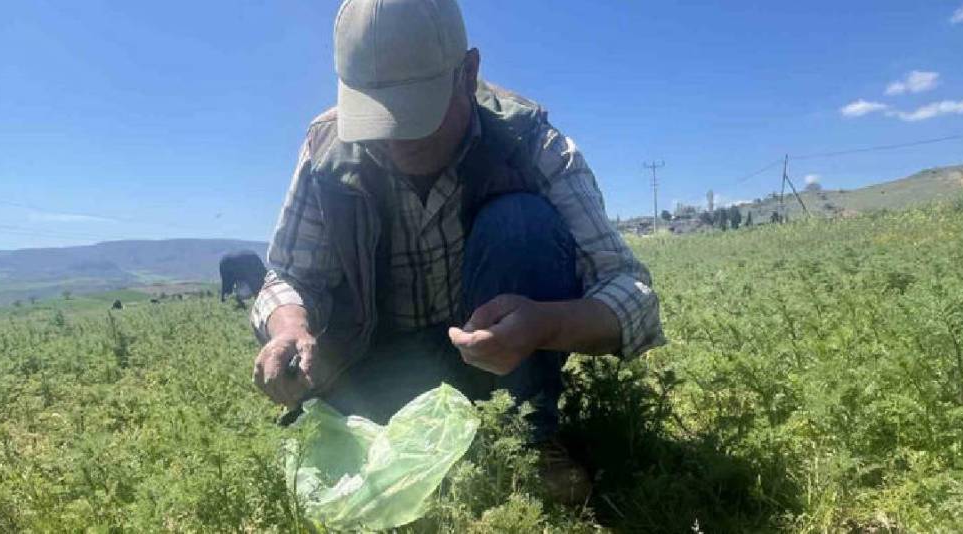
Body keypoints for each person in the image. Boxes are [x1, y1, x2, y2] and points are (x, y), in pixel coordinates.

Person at [250, 0, 664, 504]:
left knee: (519, 222)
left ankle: (528, 438)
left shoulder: (529, 141)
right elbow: (288, 277)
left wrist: (544, 325)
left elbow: (633, 294)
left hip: (503, 366)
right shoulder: (327, 151)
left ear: (467, 74)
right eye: (378, 115)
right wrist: (290, 327)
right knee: (335, 470)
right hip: (379, 358)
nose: (397, 136)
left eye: (415, 112)